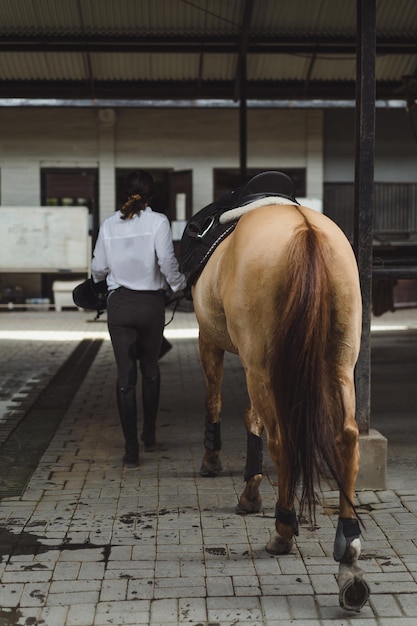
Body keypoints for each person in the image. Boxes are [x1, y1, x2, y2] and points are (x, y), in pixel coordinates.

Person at [91, 169, 187, 468]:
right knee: (150, 369)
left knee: (125, 377)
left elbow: (98, 268)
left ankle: (130, 450)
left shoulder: (109, 224)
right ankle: (148, 435)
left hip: (119, 305)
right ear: (151, 194)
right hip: (150, 306)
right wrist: (180, 286)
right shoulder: (158, 221)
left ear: (125, 192)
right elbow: (168, 262)